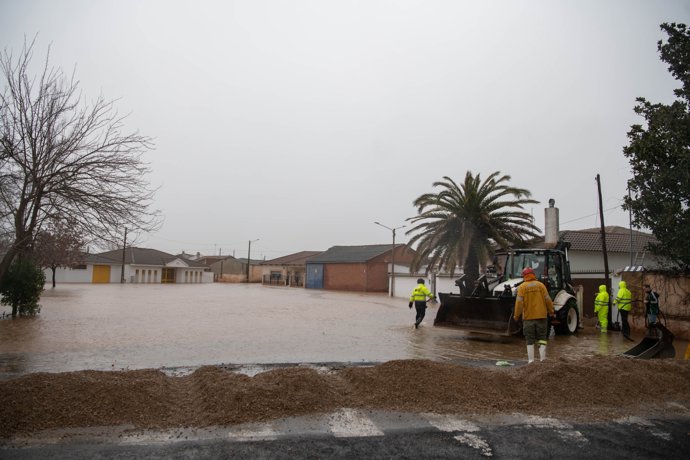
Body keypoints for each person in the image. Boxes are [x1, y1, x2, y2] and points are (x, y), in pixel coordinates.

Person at [513, 267, 555, 363]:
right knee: (542, 339)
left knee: (530, 340)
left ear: (524, 276)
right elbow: (548, 300)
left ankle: (531, 361)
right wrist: (551, 311)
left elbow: (519, 304)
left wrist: (516, 315)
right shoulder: (541, 286)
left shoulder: (522, 287)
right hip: (542, 317)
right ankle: (542, 360)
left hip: (528, 318)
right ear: (533, 274)